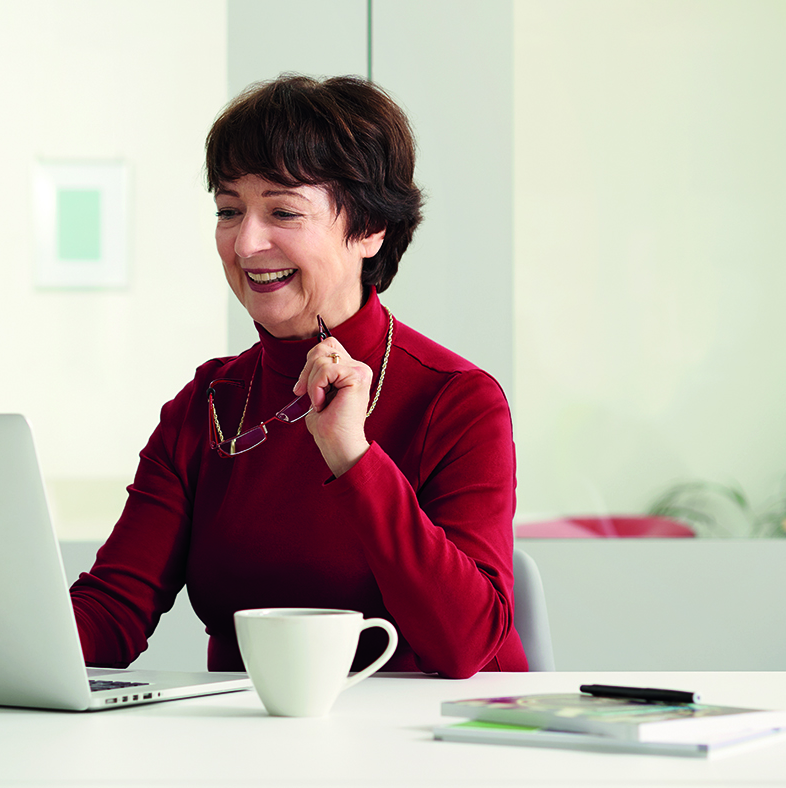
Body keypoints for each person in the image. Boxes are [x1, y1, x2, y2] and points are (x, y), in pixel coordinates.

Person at [70, 74, 526, 678]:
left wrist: (353, 456)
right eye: (230, 211)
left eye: (282, 211)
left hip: (431, 750)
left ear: (369, 229)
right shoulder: (208, 403)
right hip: (260, 748)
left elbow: (467, 644)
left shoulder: (458, 401)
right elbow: (111, 613)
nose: (246, 243)